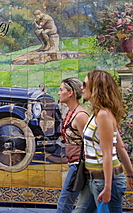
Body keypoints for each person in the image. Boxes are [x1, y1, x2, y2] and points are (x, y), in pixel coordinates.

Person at [74, 70, 133, 213]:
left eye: (85, 84)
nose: (82, 87)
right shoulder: (98, 113)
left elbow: (108, 153)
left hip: (104, 181)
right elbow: (121, 146)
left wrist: (108, 187)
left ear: (96, 87)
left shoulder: (103, 115)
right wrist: (131, 175)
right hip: (94, 179)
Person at [56, 78, 90, 213]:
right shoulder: (71, 112)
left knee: (64, 205)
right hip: (74, 165)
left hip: (79, 166)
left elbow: (89, 143)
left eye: (61, 90)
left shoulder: (80, 116)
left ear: (70, 93)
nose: (59, 93)